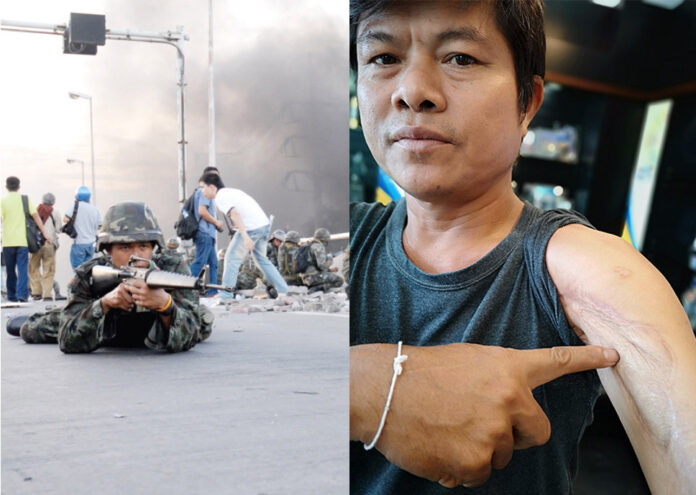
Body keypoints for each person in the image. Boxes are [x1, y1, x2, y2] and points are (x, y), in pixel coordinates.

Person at [349, 1, 696, 494]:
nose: (412, 92)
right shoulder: (337, 240)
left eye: (460, 58)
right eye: (383, 57)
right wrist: (371, 388)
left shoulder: (580, 265)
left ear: (526, 103)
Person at [17, 201, 212, 353]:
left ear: (154, 247)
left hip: (151, 328)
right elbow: (67, 341)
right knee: (28, 329)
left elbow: (190, 336)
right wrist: (105, 304)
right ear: (108, 250)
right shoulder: (89, 274)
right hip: (104, 330)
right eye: (125, 247)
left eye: (143, 247)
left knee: (203, 320)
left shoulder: (173, 268)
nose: (136, 256)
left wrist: (166, 306)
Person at [199, 173, 289, 302]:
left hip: (251, 229)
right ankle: (283, 289)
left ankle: (226, 295)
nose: (202, 191)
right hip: (263, 225)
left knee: (231, 258)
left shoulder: (220, 197)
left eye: (203, 187)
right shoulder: (230, 191)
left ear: (212, 187)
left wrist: (245, 237)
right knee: (262, 259)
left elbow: (235, 213)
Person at [1, 176, 49, 302]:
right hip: (22, 241)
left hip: (7, 242)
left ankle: (12, 295)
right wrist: (44, 232)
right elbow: (36, 216)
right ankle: (22, 294)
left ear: (6, 187)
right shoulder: (25, 200)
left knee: (10, 270)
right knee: (23, 269)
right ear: (19, 186)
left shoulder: (3, 201)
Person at [189, 166, 224, 297]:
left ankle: (213, 292)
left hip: (207, 233)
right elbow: (202, 211)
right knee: (199, 262)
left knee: (213, 264)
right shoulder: (204, 192)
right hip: (204, 233)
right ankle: (184, 289)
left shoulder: (201, 191)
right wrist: (216, 222)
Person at [29, 192, 63, 301]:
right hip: (49, 243)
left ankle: (36, 292)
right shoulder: (56, 212)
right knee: (48, 269)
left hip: (36, 244)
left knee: (33, 267)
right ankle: (47, 294)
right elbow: (58, 229)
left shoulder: (35, 210)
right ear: (53, 202)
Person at [64, 185, 102, 270]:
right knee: (87, 270)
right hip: (91, 244)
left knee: (78, 270)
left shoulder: (76, 206)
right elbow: (100, 226)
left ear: (77, 196)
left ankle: (80, 283)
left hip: (79, 244)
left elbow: (65, 219)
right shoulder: (95, 209)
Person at [298, 228, 344, 293]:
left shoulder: (309, 246)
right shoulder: (319, 247)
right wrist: (329, 262)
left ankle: (313, 286)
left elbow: (312, 265)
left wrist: (330, 270)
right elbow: (322, 266)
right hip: (314, 277)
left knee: (326, 275)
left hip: (305, 277)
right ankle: (318, 288)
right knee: (339, 280)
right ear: (324, 239)